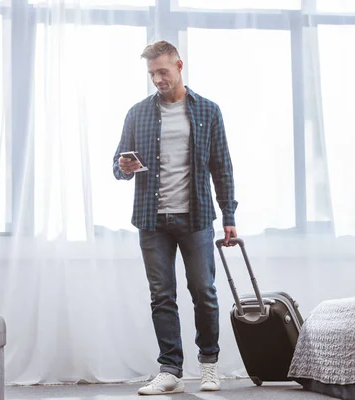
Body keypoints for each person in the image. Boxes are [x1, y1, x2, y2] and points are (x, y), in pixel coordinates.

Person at [112, 40, 238, 395]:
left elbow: (222, 167)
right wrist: (124, 167)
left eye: (163, 71)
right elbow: (117, 166)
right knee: (162, 296)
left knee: (204, 292)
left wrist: (229, 213)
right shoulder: (137, 113)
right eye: (152, 74)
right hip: (152, 221)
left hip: (196, 217)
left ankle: (209, 366)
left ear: (179, 66)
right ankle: (170, 370)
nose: (157, 79)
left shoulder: (208, 111)